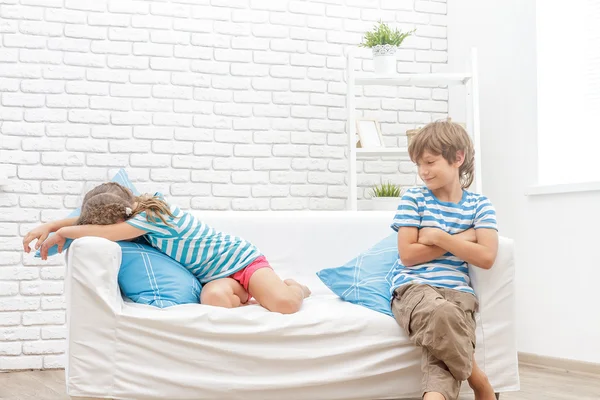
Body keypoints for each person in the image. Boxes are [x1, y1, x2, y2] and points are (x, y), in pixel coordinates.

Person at [23, 182, 310, 314]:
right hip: (215, 277)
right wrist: (50, 225)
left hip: (242, 261)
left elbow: (109, 231)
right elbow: (98, 225)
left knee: (285, 305)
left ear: (126, 212)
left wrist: (61, 231)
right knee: (215, 301)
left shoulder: (155, 216)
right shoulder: (135, 215)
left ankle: (295, 286)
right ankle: (248, 295)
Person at [390, 120, 498, 400]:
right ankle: (480, 382)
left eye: (430, 162)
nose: (423, 172)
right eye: (418, 165)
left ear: (457, 158)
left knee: (440, 363)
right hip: (413, 290)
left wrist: (439, 237)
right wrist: (465, 238)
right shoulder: (414, 199)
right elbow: (408, 255)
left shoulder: (480, 205)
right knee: (444, 315)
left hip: (459, 293)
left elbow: (486, 257)